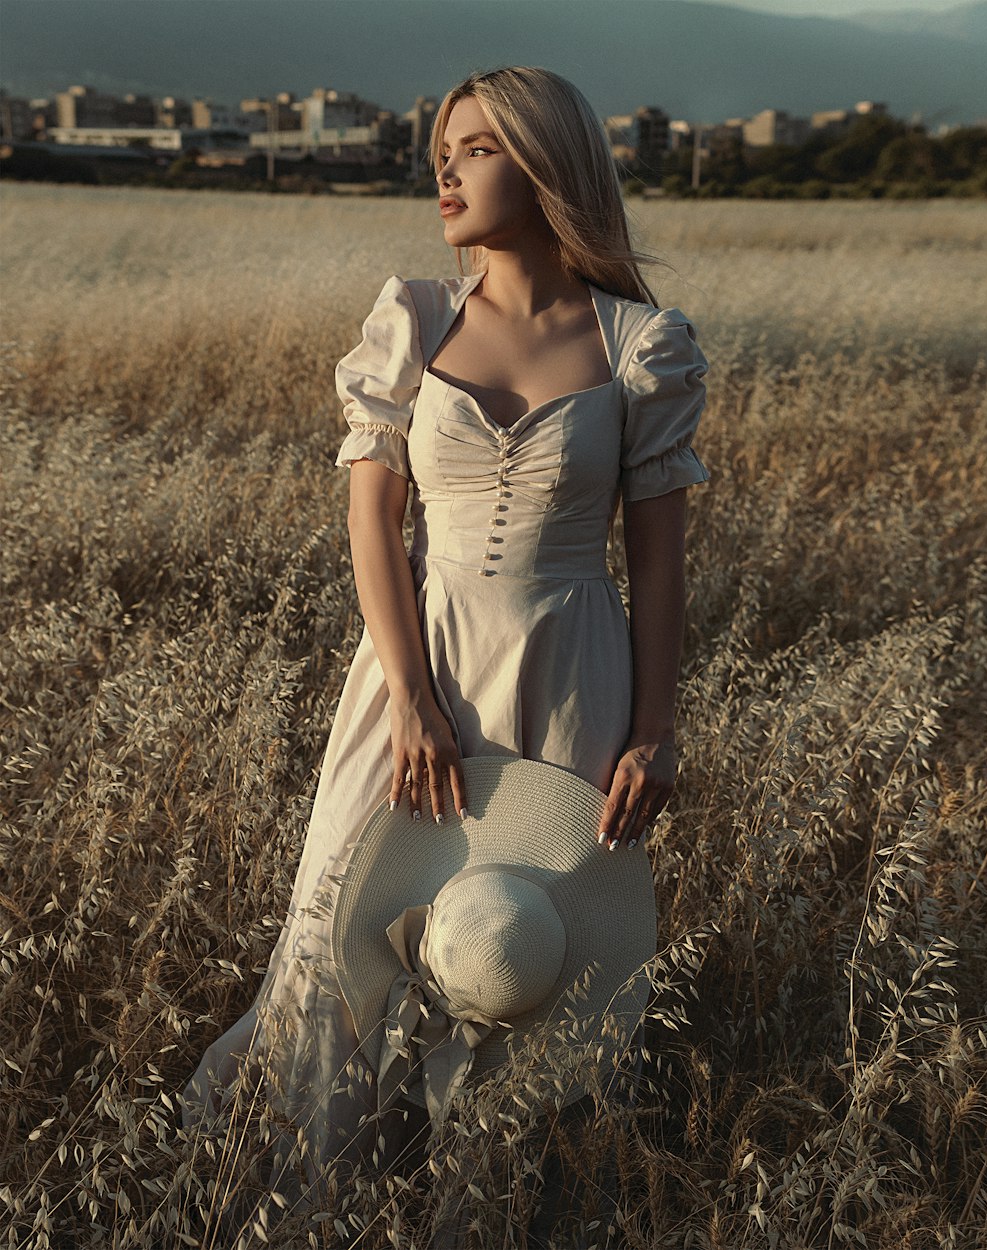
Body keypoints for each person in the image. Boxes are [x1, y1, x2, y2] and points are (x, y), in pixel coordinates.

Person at [181, 64, 709, 1233]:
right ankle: (321, 1204)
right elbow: (373, 519)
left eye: (473, 150)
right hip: (412, 672)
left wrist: (657, 727)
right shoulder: (415, 317)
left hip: (572, 668)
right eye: (441, 154)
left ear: (544, 162)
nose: (446, 173)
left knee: (522, 954)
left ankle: (494, 1205)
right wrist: (411, 697)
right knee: (344, 929)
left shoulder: (640, 344)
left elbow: (661, 563)